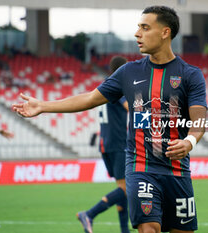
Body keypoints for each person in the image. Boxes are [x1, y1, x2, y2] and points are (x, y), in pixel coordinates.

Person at [13, 5, 207, 233]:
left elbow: (200, 120)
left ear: (165, 32)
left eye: (145, 28)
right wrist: (43, 106)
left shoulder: (191, 74)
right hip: (140, 167)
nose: (137, 33)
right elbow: (89, 98)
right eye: (138, 27)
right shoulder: (128, 72)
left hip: (177, 171)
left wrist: (190, 141)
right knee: (148, 228)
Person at [77, 56, 130, 233]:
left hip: (106, 144)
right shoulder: (119, 86)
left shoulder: (105, 85)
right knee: (126, 188)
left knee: (122, 188)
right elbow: (130, 107)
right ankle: (89, 214)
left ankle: (124, 230)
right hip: (118, 143)